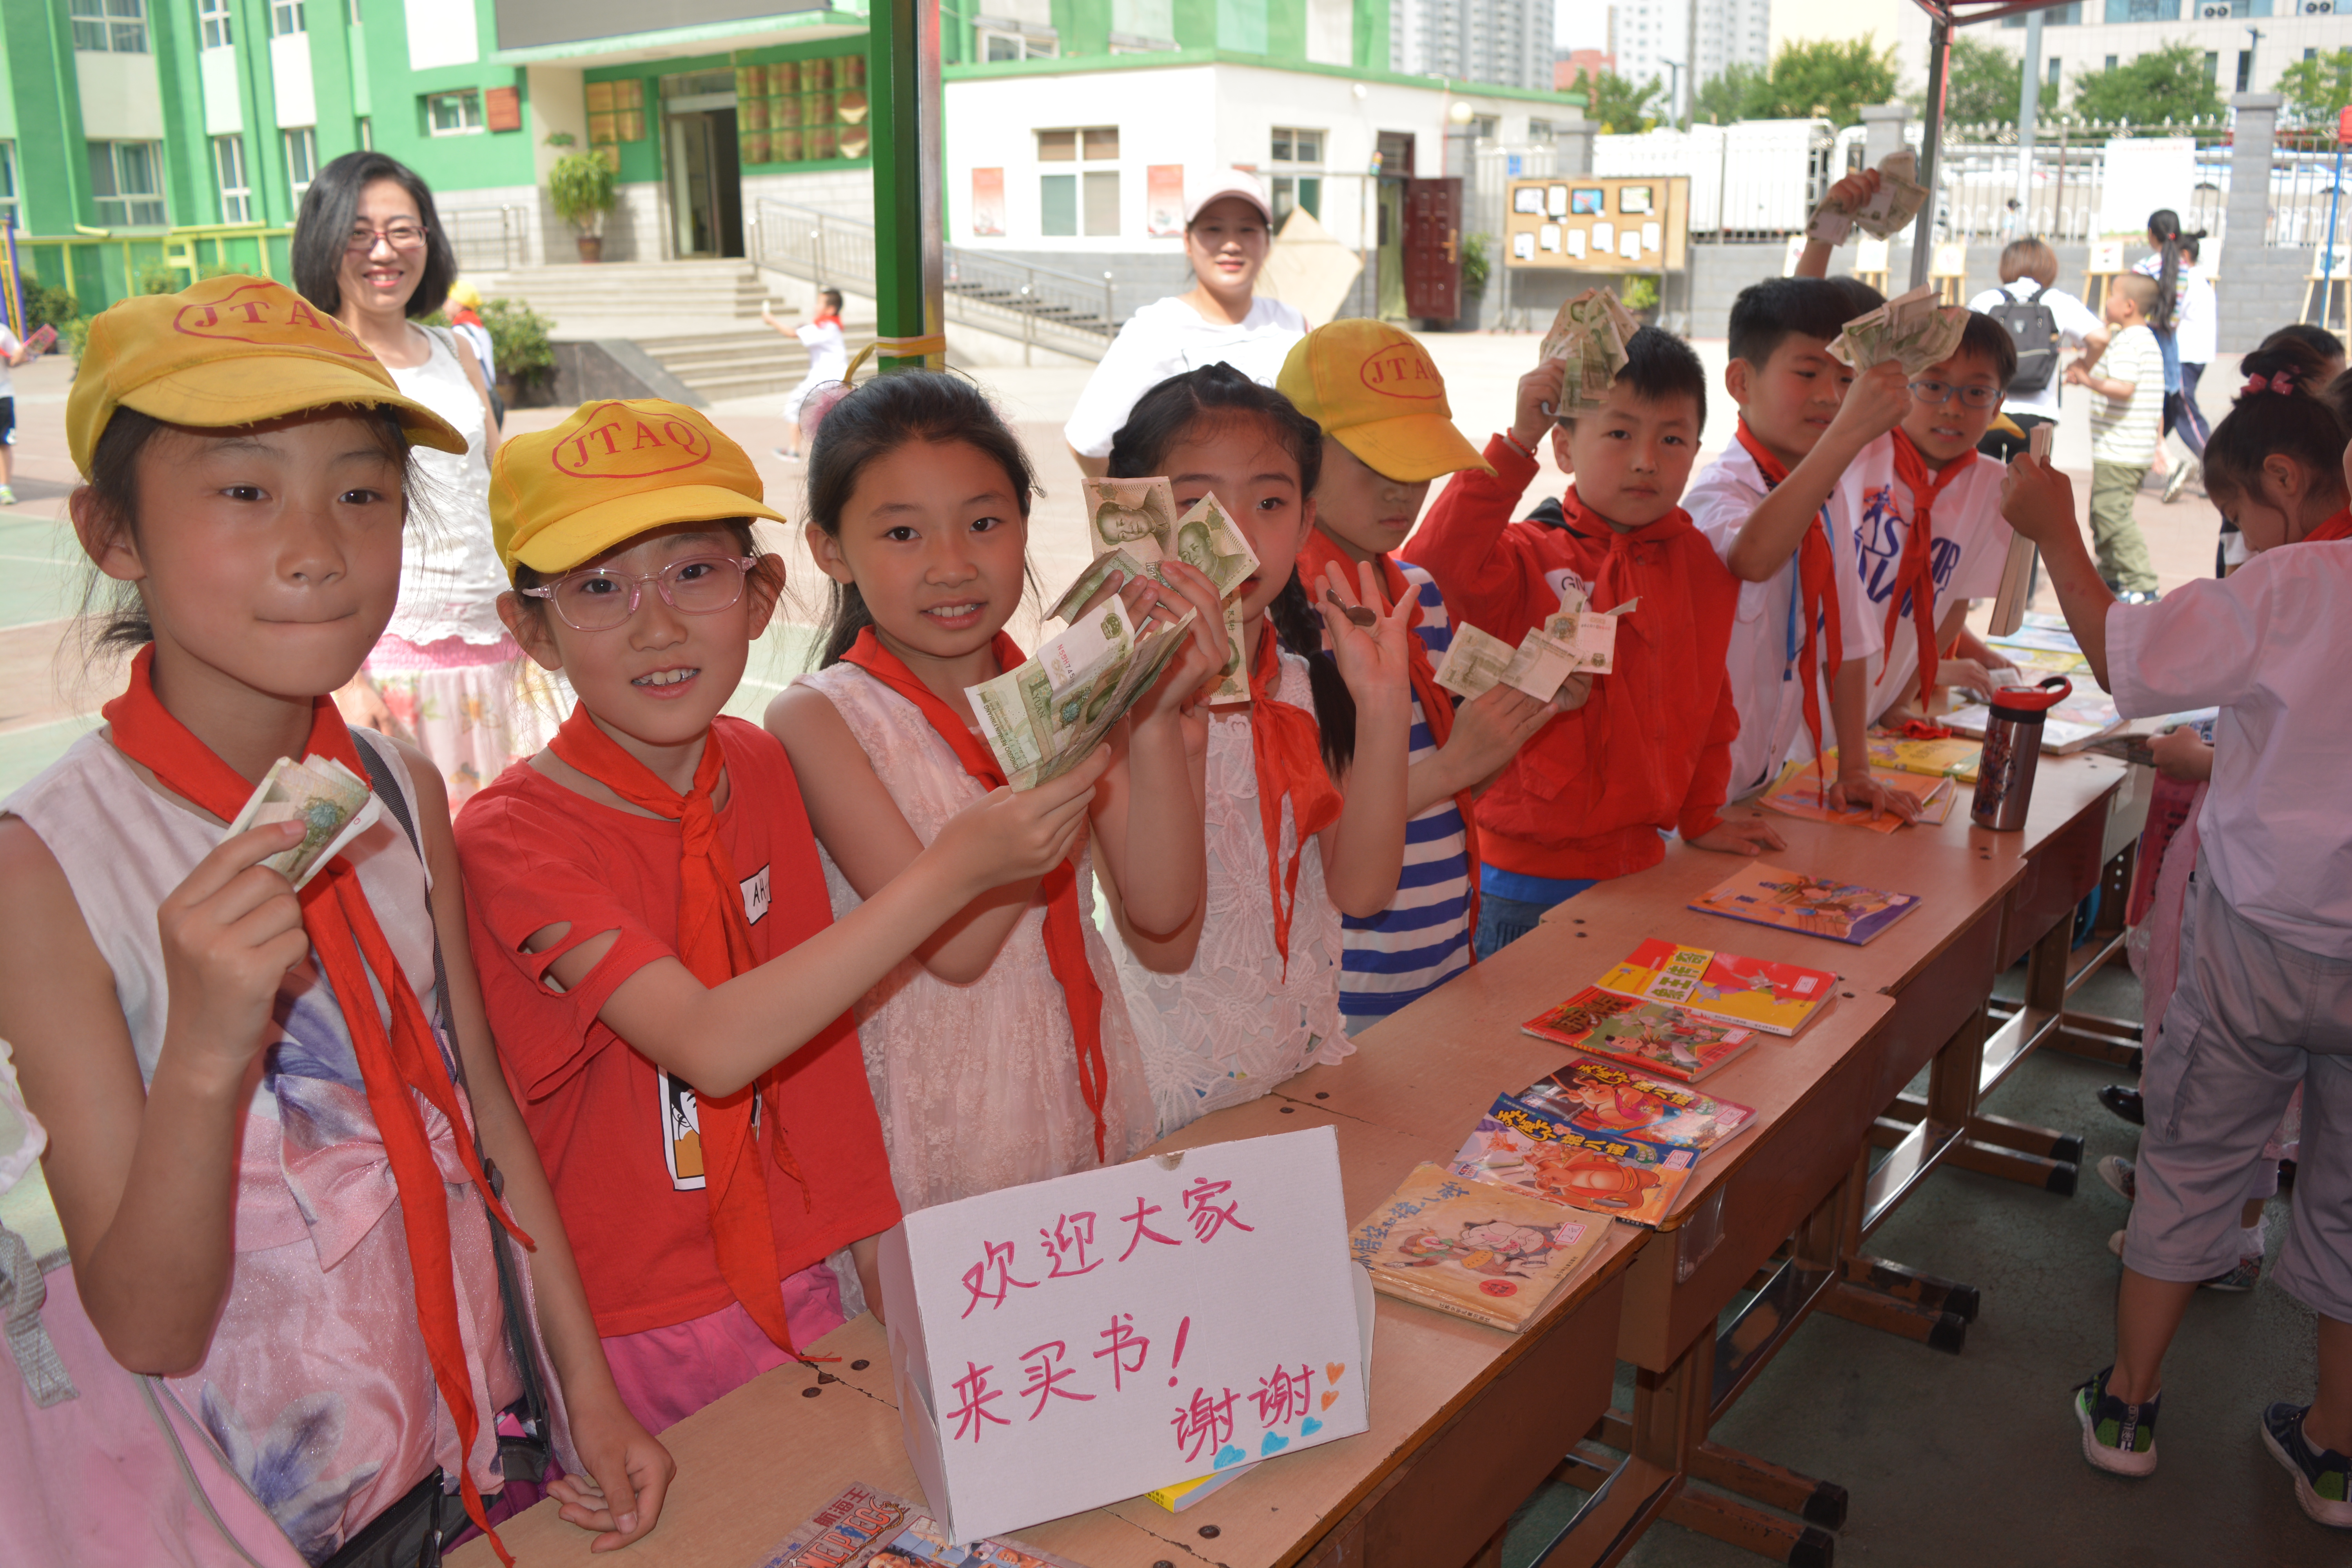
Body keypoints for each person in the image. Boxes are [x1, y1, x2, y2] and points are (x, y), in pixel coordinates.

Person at [0, 278, 671, 1564]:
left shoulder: (397, 789)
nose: (319, 546)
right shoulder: (48, 870)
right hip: (255, 1519)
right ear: (112, 533)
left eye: (361, 492)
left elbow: (486, 1116)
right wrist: (207, 1048)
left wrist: (586, 1391)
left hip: (479, 1460)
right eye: (245, 492)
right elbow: (145, 1326)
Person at [456, 398, 1122, 1434]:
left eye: (695, 571)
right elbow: (714, 1047)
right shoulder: (512, 839)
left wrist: (879, 1274)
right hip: (633, 1321)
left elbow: (819, 1072)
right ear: (530, 630)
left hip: (803, 1279)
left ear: (762, 593)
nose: (659, 623)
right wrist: (951, 874)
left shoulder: (757, 767)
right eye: (598, 588)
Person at [2002, 364, 2352, 1528]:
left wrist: (2055, 527)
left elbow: (2125, 655)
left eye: (2240, 513)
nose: (2240, 535)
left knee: (2194, 1153)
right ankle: (2335, 1451)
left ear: (2287, 481)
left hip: (2257, 929)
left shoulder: (2291, 582)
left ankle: (2127, 1405)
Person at [767, 371, 1221, 1210]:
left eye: (984, 523)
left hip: (1087, 1098)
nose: (952, 565)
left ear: (1024, 524)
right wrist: (1077, 734)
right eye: (902, 533)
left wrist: (1150, 714)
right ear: (831, 549)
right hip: (946, 1132)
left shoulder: (1059, 689)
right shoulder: (819, 717)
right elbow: (958, 948)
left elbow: (1160, 912)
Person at [1100, 363, 1413, 1134]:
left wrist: (1381, 706)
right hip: (1166, 1094)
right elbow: (1163, 938)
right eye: (1195, 503)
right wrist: (1168, 725)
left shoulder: (1306, 684)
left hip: (1304, 1073)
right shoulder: (1106, 701)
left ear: (1306, 523)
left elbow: (1362, 889)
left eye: (1268, 501)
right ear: (1131, 517)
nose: (1233, 534)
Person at [1409, 328, 1787, 957]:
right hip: (1518, 884)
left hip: (1644, 865)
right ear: (1564, 446)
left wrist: (1702, 816)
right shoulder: (1526, 551)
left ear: (1697, 449)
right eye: (1619, 434)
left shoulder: (1696, 559)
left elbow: (1707, 699)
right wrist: (1514, 444)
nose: (1646, 459)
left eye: (1671, 439)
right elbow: (1428, 574)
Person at [1279, 320, 1551, 1032]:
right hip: (1341, 986)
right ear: (1298, 454)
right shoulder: (1281, 618)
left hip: (1441, 959)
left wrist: (1521, 717)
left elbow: (1450, 781)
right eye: (1376, 462)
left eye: (1418, 464)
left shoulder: (1417, 592)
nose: (1404, 492)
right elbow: (1303, 823)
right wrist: (1458, 763)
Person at [294, 150, 558, 806]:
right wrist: (345, 683)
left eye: (402, 230)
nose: (383, 251)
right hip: (388, 664)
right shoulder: (311, 362)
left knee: (516, 860)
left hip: (501, 649)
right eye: (359, 232)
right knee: (413, 875)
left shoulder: (456, 350)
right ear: (323, 240)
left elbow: (504, 492)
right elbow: (304, 535)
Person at [1691, 277, 1904, 810]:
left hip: (1762, 786)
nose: (1831, 396)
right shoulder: (1716, 495)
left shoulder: (1828, 498)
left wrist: (1854, 767)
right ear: (1741, 382)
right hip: (1688, 804)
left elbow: (1849, 646)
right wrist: (1847, 437)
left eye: (1845, 378)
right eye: (1808, 373)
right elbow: (1754, 556)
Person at [1837, 314, 2026, 725]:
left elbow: (1952, 610)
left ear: (1998, 405)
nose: (1953, 408)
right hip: (1815, 686)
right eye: (1934, 386)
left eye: (1976, 392)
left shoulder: (1997, 488)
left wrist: (1900, 698)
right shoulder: (1857, 450)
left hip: (1879, 698)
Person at [1064, 172, 1308, 479]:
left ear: (1267, 242)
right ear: (1187, 242)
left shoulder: (1293, 324)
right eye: (1214, 228)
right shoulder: (1155, 329)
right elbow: (1087, 443)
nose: (1232, 244)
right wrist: (1149, 521)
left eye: (1247, 229)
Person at [2067, 273, 2164, 603]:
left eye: (2111, 295)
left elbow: (2124, 388)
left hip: (2120, 450)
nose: (2105, 302)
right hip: (2128, 448)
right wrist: (2158, 442)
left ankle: (2141, 582)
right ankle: (2112, 577)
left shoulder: (2129, 342)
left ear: (2128, 306)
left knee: (2112, 515)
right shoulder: (2146, 341)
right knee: (2103, 513)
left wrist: (2086, 379)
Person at [1969, 236, 2108, 463]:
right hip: (2039, 415)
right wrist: (2083, 366)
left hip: (1989, 409)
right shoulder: (2057, 301)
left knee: (1981, 486)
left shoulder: (1987, 300)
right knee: (2028, 488)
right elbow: (2100, 338)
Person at [2132, 208, 2204, 487]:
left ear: (2152, 234)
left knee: (2143, 406)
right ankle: (2164, 458)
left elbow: (2135, 308)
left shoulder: (2144, 268)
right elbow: (2177, 316)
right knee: (2161, 405)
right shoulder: (2186, 271)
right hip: (2169, 344)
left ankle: (2166, 459)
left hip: (2144, 338)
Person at [2159, 236, 2215, 503]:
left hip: (2184, 356)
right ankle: (2143, 463)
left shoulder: (2189, 280)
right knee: (2165, 415)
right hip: (2188, 356)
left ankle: (2219, 470)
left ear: (2182, 254)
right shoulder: (2198, 280)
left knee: (2185, 413)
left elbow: (2170, 317)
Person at [766, 288, 849, 461]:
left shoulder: (825, 327)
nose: (815, 306)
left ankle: (794, 450)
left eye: (819, 303)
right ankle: (834, 455)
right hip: (834, 380)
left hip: (823, 380)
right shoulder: (830, 326)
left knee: (793, 406)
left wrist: (771, 320)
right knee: (829, 417)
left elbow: (790, 333)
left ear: (831, 309)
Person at [443, 278, 503, 429]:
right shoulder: (481, 329)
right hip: (491, 396)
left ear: (459, 304)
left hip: (477, 402)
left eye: (447, 301)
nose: (444, 307)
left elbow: (471, 367)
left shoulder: (460, 332)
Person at [0, 316, 34, 506]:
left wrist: (22, 354)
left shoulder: (2, 331)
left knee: (4, 443)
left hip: (2, 395)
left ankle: (5, 487)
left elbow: (15, 361)